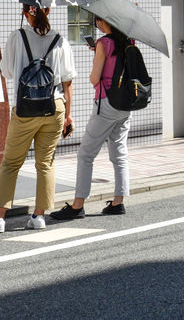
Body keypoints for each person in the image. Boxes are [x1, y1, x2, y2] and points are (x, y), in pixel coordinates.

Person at [0, 0, 75, 234]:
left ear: (25, 12)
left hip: (25, 108)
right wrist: (68, 116)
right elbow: (67, 82)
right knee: (45, 163)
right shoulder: (60, 40)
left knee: (11, 163)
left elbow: (6, 72)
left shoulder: (17, 37)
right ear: (48, 10)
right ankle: (39, 216)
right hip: (54, 106)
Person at [50, 17, 132, 220]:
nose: (97, 24)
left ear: (106, 21)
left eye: (98, 21)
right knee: (119, 154)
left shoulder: (104, 43)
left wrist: (99, 54)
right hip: (126, 104)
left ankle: (78, 206)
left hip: (107, 103)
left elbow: (94, 78)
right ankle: (118, 202)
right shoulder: (129, 41)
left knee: (86, 154)